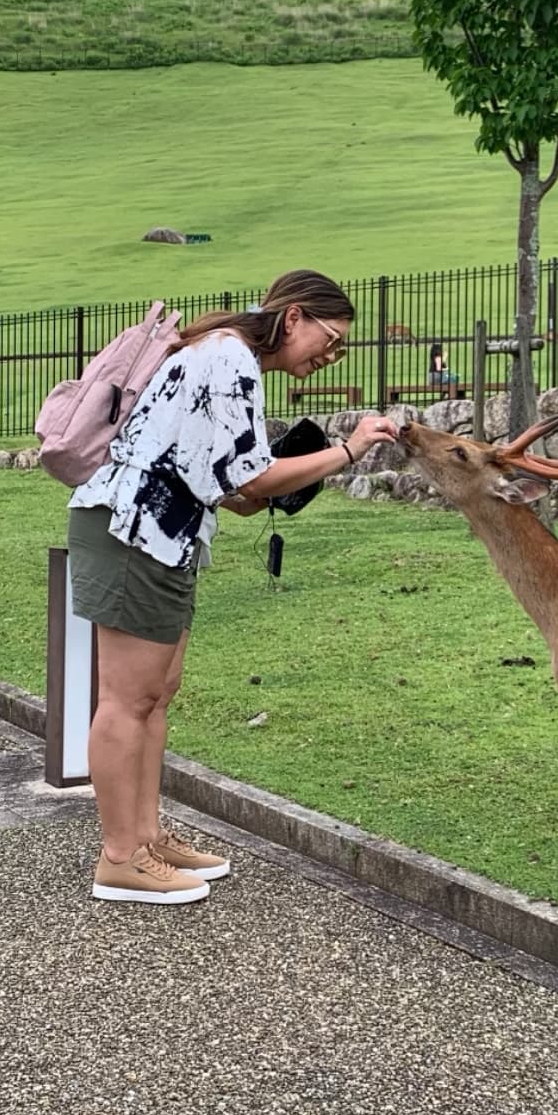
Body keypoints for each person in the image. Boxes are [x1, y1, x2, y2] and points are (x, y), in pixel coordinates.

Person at [67, 269, 397, 906]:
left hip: (165, 531)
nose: (330, 356)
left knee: (157, 694)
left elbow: (231, 483)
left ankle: (146, 838)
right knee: (126, 700)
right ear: (293, 317)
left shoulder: (227, 355)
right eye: (330, 340)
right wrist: (349, 452)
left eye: (341, 350)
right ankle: (119, 857)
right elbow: (256, 472)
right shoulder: (230, 356)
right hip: (134, 529)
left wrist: (278, 483)